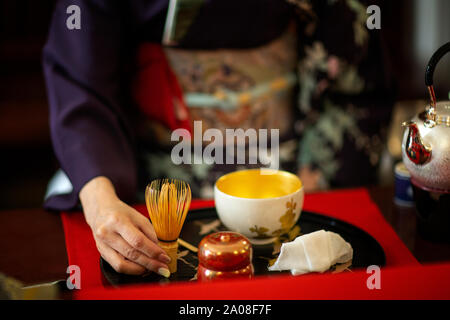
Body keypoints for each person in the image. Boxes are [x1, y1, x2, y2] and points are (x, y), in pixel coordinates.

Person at [43, 0, 393, 276]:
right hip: (155, 194)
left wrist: (310, 196)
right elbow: (81, 81)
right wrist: (101, 200)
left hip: (287, 179)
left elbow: (356, 79)